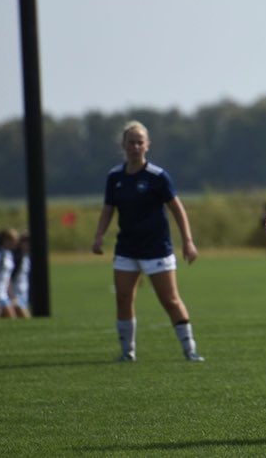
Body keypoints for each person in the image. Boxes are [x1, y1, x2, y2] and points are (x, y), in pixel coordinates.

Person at [92, 120, 204, 362]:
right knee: (123, 298)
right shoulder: (115, 177)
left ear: (147, 145)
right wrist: (99, 235)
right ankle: (127, 352)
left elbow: (177, 209)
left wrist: (188, 241)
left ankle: (190, 350)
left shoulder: (157, 176)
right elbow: (108, 209)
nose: (135, 146)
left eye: (139, 142)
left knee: (170, 300)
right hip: (127, 248)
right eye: (131, 142)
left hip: (156, 248)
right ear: (123, 144)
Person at [12, 231, 32, 318]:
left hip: (24, 293)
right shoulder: (16, 258)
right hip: (15, 294)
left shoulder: (28, 257)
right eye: (26, 242)